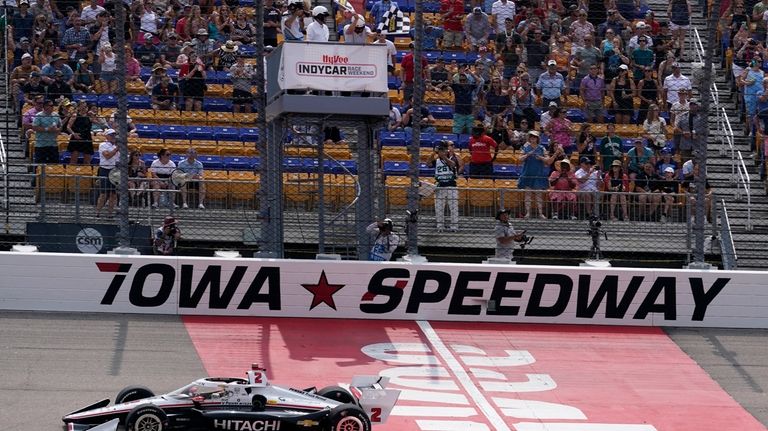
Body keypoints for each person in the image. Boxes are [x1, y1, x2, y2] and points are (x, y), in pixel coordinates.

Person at [518, 130, 551, 219]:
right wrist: (528, 155)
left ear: (537, 138)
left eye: (535, 137)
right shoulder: (525, 147)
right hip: (527, 173)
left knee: (538, 194)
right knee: (527, 194)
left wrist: (540, 158)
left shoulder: (541, 148)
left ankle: (540, 213)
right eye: (531, 137)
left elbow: (548, 160)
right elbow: (519, 158)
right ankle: (528, 213)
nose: (533, 138)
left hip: (538, 174)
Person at [431, 141, 462, 232]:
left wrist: (443, 156)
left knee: (453, 207)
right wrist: (434, 152)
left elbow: (452, 164)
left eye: (443, 150)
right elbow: (428, 163)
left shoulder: (453, 158)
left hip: (451, 186)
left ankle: (454, 226)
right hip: (439, 186)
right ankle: (440, 226)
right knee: (439, 208)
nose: (442, 151)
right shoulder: (436, 161)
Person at [95, 129, 119, 219]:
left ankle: (110, 213)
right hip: (104, 169)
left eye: (114, 135)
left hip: (113, 170)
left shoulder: (116, 146)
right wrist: (117, 149)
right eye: (111, 135)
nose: (113, 137)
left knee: (113, 193)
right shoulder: (103, 145)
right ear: (107, 136)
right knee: (103, 193)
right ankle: (98, 212)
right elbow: (107, 156)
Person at [31, 99, 61, 164]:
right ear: (45, 106)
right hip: (41, 145)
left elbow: (60, 126)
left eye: (53, 105)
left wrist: (57, 130)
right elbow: (34, 127)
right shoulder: (39, 115)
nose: (53, 107)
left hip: (53, 144)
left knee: (54, 164)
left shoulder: (56, 115)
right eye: (51, 105)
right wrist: (47, 129)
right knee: (40, 164)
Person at [65, 100, 94, 166]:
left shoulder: (89, 116)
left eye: (85, 106)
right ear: (79, 107)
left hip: (86, 137)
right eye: (82, 106)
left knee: (87, 161)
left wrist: (94, 115)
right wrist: (73, 134)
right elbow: (68, 127)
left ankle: (86, 173)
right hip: (76, 137)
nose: (84, 108)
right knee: (73, 160)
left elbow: (101, 123)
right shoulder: (75, 116)